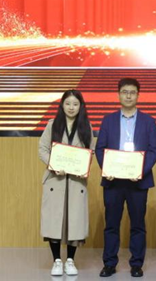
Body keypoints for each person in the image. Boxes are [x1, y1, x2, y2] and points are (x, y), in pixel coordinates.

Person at [95, 78, 156, 278]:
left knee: (138, 224)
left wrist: (139, 171)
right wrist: (107, 168)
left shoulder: (149, 121)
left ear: (138, 95)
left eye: (132, 92)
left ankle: (136, 264)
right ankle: (109, 263)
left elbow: (154, 151)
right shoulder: (108, 120)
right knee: (111, 224)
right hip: (113, 181)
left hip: (138, 182)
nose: (128, 96)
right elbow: (100, 148)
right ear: (119, 95)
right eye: (125, 92)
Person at [38, 89, 96, 277]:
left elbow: (91, 152)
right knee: (54, 220)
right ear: (62, 105)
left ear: (81, 107)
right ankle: (56, 260)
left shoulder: (86, 127)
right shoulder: (53, 125)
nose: (71, 107)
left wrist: (83, 164)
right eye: (68, 103)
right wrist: (53, 165)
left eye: (75, 104)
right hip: (55, 180)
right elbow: (42, 149)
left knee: (75, 221)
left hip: (77, 182)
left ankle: (70, 260)